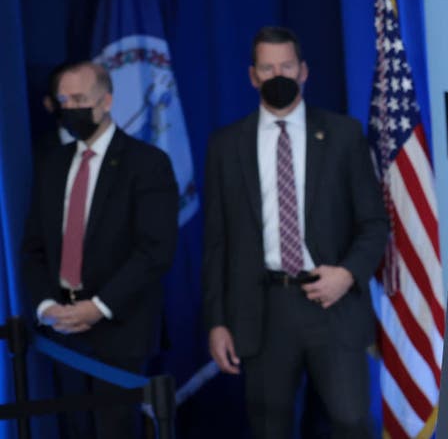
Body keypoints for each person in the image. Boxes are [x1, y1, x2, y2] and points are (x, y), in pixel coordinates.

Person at [202, 26, 388, 438]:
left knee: (351, 423)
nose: (278, 75)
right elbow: (216, 243)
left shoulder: (343, 135)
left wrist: (348, 274)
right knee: (270, 429)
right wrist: (216, 322)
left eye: (286, 65)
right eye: (268, 68)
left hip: (333, 304)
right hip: (263, 310)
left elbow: (374, 223)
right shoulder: (226, 145)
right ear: (253, 76)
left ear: (304, 71)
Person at [21, 61, 179, 439]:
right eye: (63, 100)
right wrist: (46, 307)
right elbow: (33, 248)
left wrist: (99, 307)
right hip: (61, 329)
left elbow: (154, 250)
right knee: (73, 429)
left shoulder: (147, 163)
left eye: (80, 99)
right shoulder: (52, 165)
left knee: (115, 431)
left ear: (106, 101)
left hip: (119, 326)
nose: (70, 108)